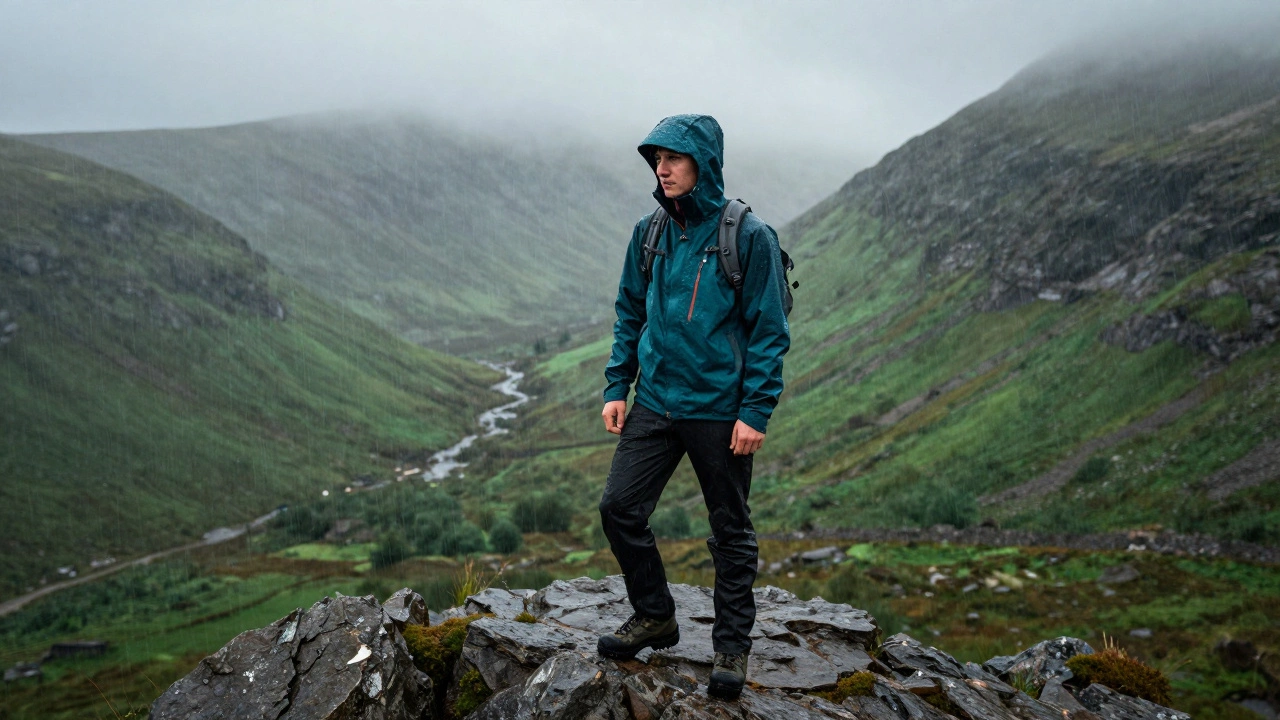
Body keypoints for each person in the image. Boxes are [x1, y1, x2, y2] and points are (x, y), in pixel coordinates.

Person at [596, 114, 791, 700]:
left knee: (730, 531)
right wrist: (616, 387)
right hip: (655, 399)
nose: (662, 168)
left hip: (718, 408)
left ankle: (732, 645)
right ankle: (655, 614)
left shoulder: (750, 237)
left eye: (674, 159)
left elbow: (769, 331)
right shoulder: (648, 232)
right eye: (657, 158)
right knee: (619, 509)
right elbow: (630, 310)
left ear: (702, 164)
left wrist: (756, 411)